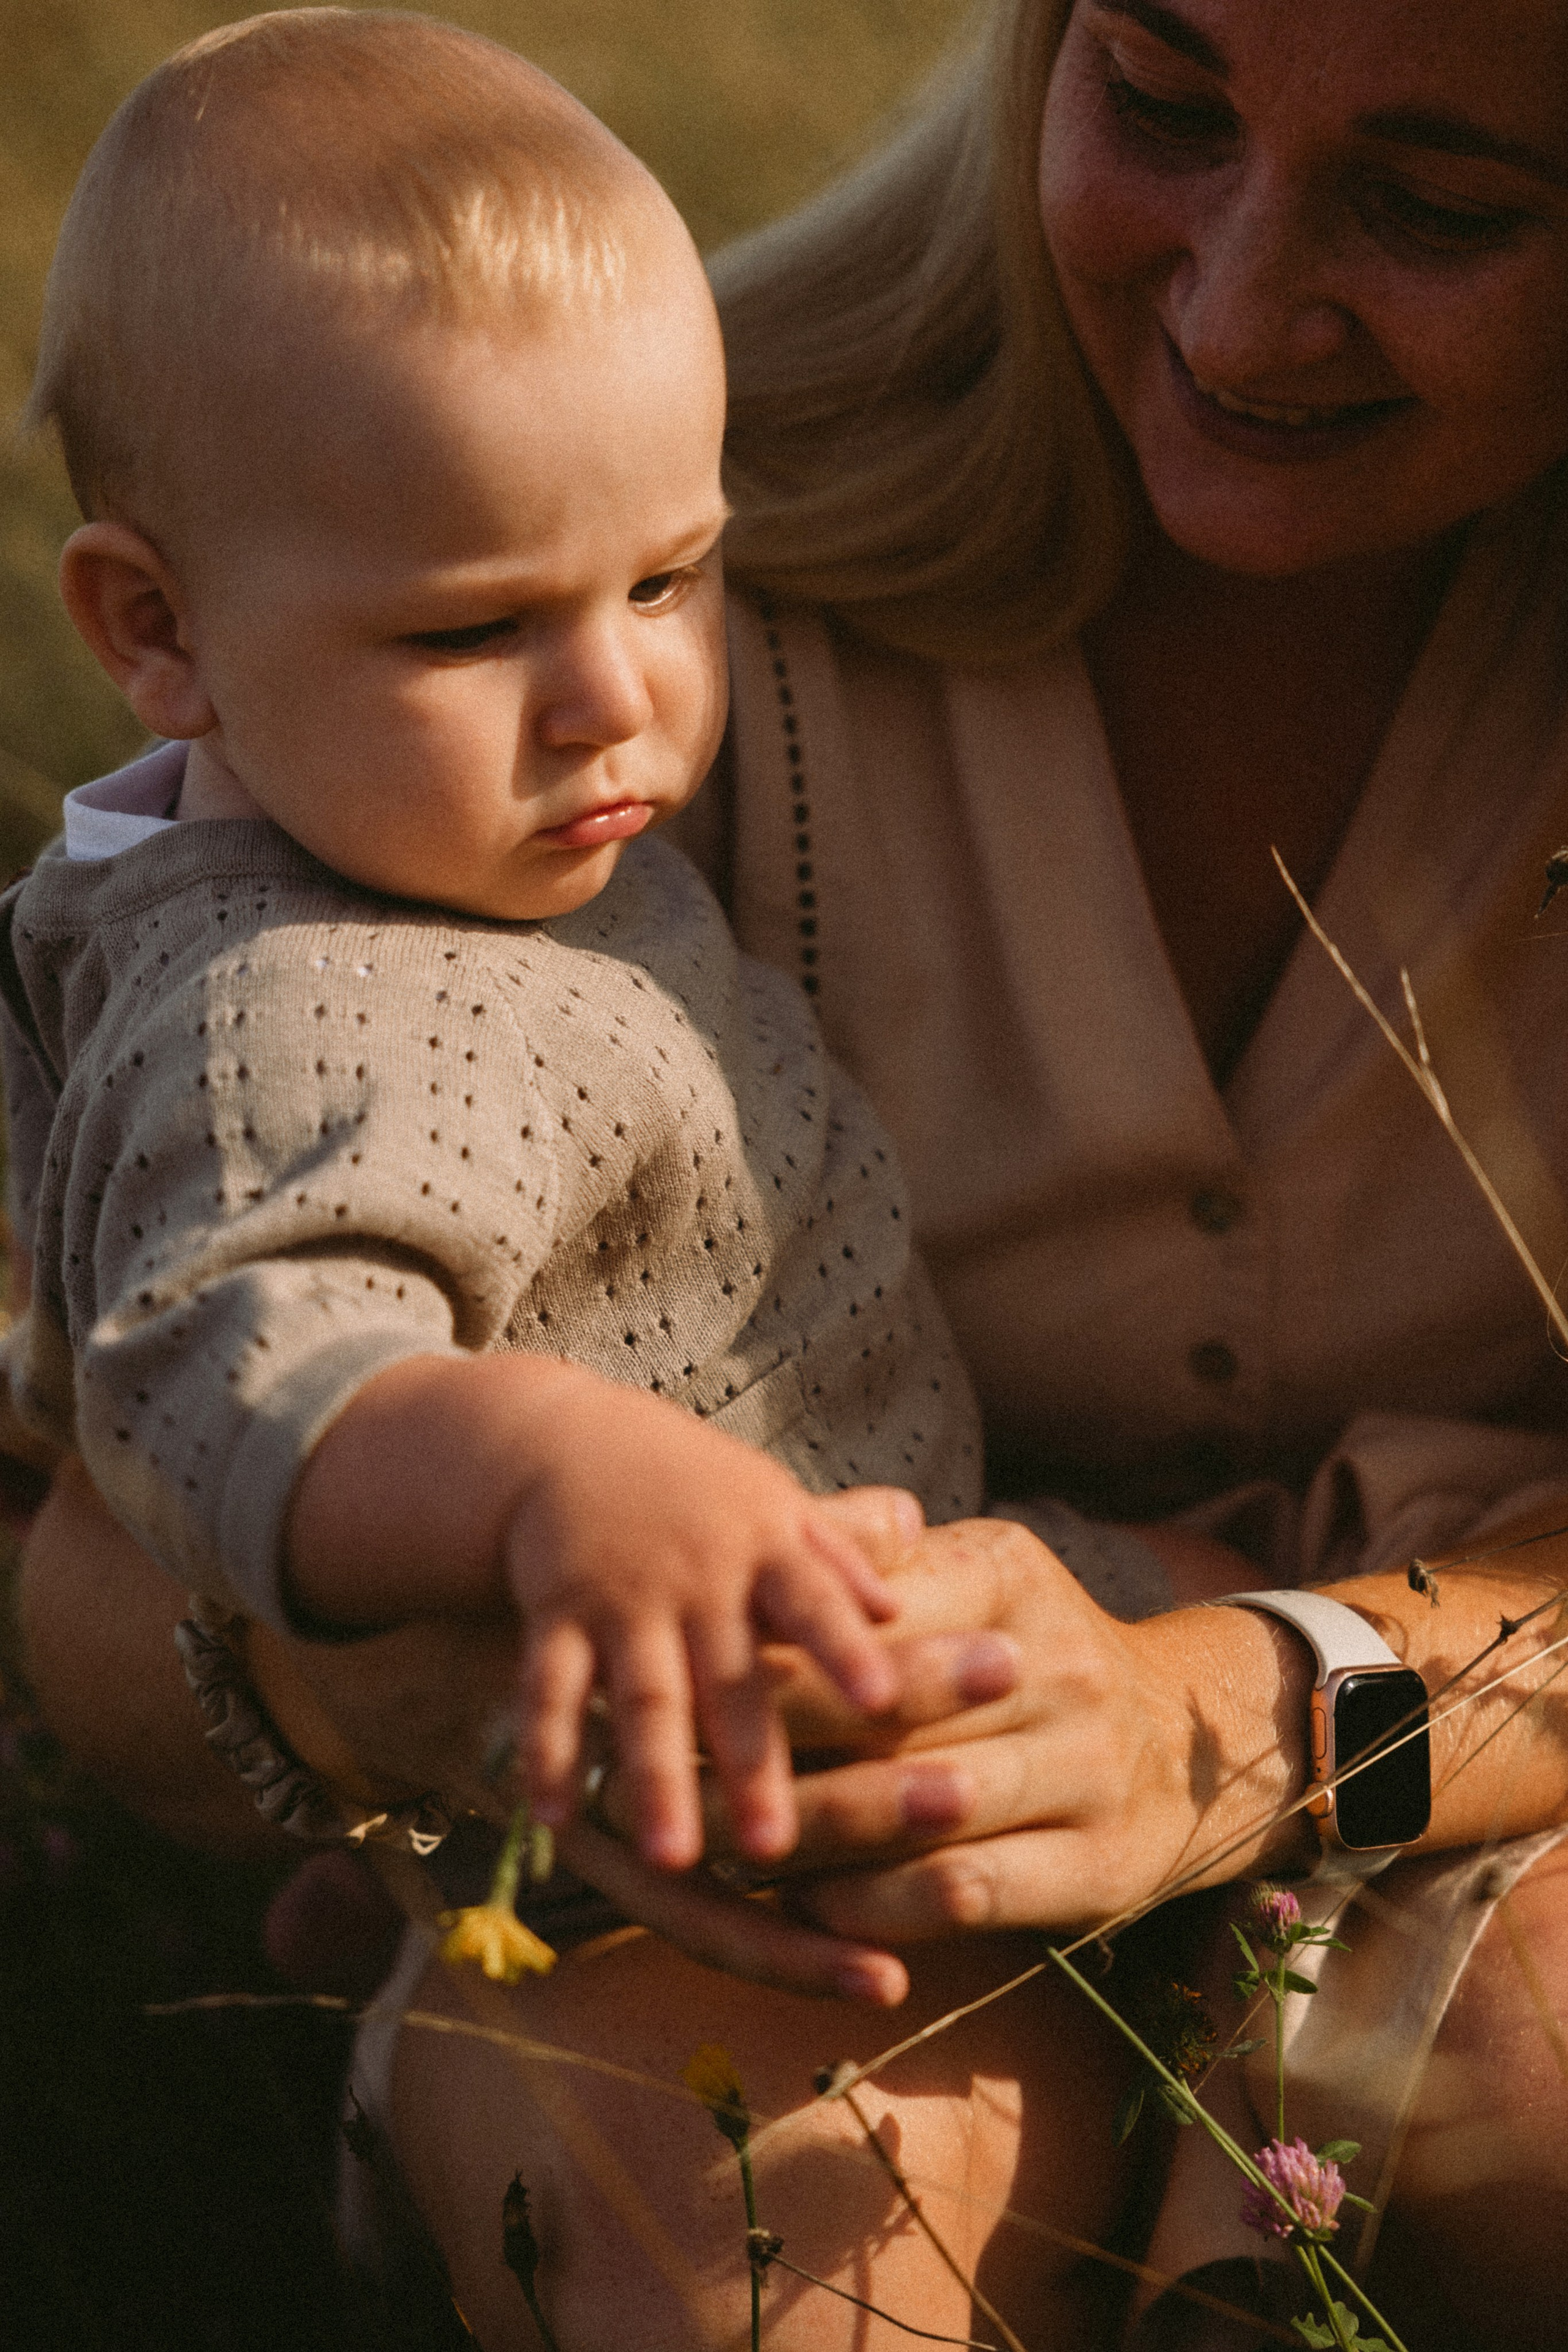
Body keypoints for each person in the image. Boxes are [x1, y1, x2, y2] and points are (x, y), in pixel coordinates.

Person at [16, 0, 1568, 2345]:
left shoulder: (607, 563)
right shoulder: (518, 473)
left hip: (1461, 1786)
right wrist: (454, 1721)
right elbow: (134, 1513)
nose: (1244, 311)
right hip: (795, 1859)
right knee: (777, 2234)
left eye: (1444, 203)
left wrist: (1240, 1715)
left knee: (1530, 2091)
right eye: (1158, 102)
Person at [4, 6, 999, 1896]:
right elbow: (236, 1358)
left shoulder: (420, 837)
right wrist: (553, 1479)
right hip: (686, 1725)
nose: (614, 699)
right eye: (475, 633)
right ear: (156, 627)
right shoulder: (310, 1000)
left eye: (664, 578)